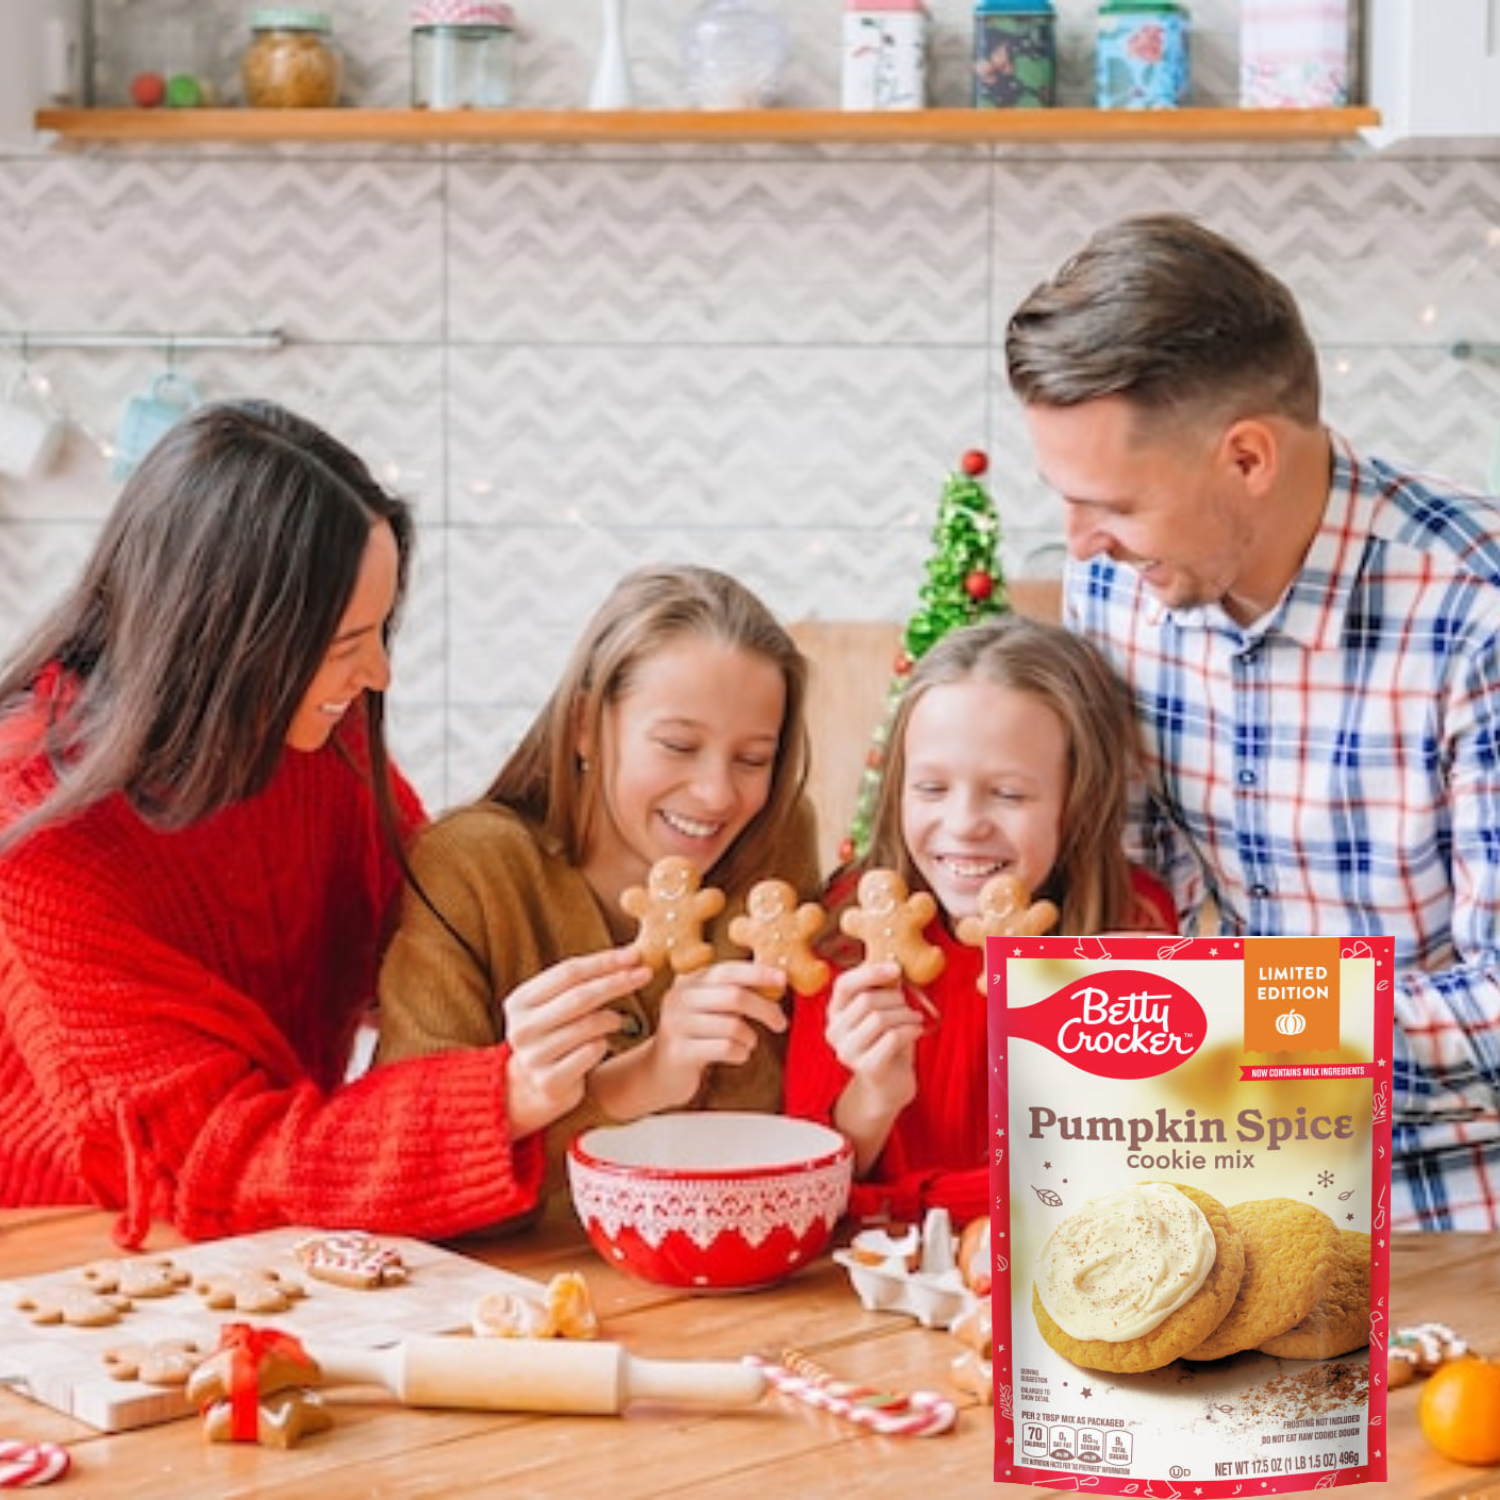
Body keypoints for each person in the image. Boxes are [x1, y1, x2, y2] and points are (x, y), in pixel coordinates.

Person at [0, 399, 643, 1248]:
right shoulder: (41, 833)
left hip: (252, 1218)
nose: (376, 675)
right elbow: (222, 1157)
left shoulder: (305, 731)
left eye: (379, 633)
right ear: (227, 642)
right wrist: (507, 1097)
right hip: (67, 1238)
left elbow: (428, 938)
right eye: (344, 645)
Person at [1004, 211, 1500, 1233]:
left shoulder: (1475, 611)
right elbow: (1136, 884)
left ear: (1246, 459)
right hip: (1200, 1177)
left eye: (1115, 504)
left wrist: (1236, 1020)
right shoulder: (1120, 583)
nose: (1081, 544)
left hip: (1447, 1212)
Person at [374, 562, 822, 1199]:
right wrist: (640, 1079)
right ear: (585, 724)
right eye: (678, 745)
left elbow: (794, 1125)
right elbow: (407, 1168)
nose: (718, 794)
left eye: (753, 759)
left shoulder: (775, 847)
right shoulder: (470, 869)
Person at [783, 614, 1174, 1225]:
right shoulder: (850, 927)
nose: (964, 824)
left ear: (1079, 800)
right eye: (931, 788)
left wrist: (906, 1202)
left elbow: (1123, 1184)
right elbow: (807, 1191)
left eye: (1009, 794)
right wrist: (876, 1095)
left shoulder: (1133, 928)